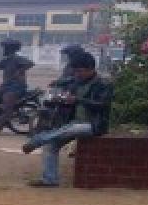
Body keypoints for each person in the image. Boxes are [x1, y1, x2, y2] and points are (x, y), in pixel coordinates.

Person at [21, 51, 112, 187]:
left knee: (72, 128)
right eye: (75, 71)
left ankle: (37, 140)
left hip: (94, 125)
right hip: (74, 123)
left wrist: (78, 100)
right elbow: (70, 98)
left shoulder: (103, 84)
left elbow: (102, 105)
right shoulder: (77, 82)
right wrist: (62, 100)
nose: (77, 74)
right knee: (51, 145)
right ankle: (50, 179)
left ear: (91, 69)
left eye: (80, 71)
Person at [0, 39, 34, 135]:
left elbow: (30, 63)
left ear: (10, 49)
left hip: (16, 87)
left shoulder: (17, 58)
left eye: (5, 48)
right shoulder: (6, 60)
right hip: (5, 86)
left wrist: (20, 71)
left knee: (6, 108)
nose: (3, 50)